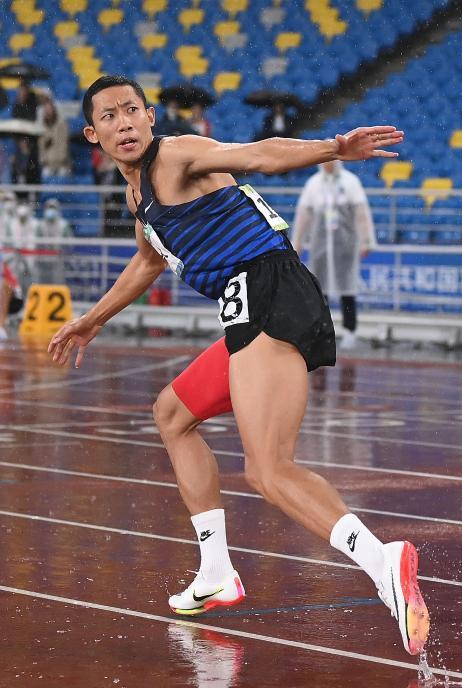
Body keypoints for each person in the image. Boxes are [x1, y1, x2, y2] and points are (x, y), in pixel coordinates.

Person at [47, 75, 428, 655]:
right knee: (172, 414)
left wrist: (332, 148)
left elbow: (256, 155)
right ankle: (217, 570)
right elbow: (149, 260)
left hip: (270, 290)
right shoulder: (138, 195)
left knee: (268, 469)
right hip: (248, 304)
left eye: (132, 111)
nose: (123, 123)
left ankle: (382, 562)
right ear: (91, 134)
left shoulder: (175, 155)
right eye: (109, 116)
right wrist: (94, 317)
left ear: (151, 118)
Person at [292, 160, 376, 349]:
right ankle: (322, 332)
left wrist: (366, 240)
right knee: (320, 292)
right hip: (320, 247)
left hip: (345, 247)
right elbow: (303, 214)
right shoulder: (314, 184)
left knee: (347, 290)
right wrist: (297, 242)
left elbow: (362, 213)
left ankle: (349, 331)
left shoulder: (350, 182)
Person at [39, 94, 71, 178]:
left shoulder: (62, 125)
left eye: (49, 109)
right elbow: (41, 147)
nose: (48, 111)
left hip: (61, 163)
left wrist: (60, 161)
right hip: (48, 164)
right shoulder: (41, 127)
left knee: (62, 174)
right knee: (44, 174)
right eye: (46, 109)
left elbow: (64, 145)